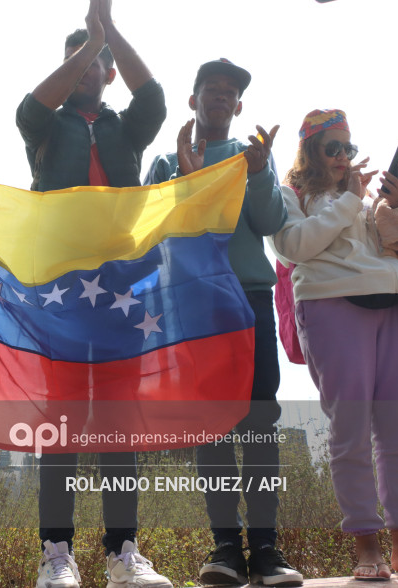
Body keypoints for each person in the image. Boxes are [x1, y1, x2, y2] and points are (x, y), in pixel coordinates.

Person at [15, 1, 170, 586]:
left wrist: (112, 36)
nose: (87, 70)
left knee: (115, 417)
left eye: (97, 64)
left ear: (109, 74)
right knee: (60, 416)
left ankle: (123, 553)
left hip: (122, 286)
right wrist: (87, 45)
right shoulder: (48, 125)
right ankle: (57, 555)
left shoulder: (123, 127)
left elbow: (151, 97)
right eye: (75, 61)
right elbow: (30, 107)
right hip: (58, 281)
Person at [143, 59, 302, 587]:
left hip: (249, 299)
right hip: (194, 309)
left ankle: (267, 549)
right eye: (210, 89)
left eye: (229, 92)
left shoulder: (250, 156)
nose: (220, 96)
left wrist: (259, 173)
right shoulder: (166, 162)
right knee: (211, 427)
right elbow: (149, 234)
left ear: (238, 107)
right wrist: (185, 185)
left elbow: (272, 222)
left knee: (260, 423)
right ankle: (226, 548)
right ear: (192, 101)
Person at [273, 108, 398, 581]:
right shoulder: (293, 194)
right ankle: (367, 548)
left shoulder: (362, 199)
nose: (344, 156)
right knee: (349, 433)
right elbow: (293, 247)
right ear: (309, 151)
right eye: (333, 147)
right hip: (331, 307)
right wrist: (347, 200)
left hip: (394, 306)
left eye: (348, 146)